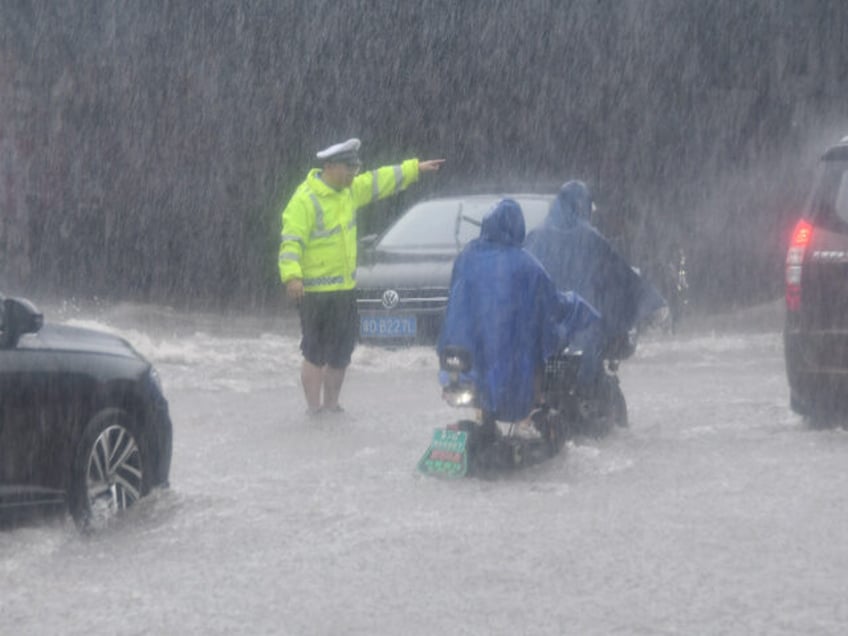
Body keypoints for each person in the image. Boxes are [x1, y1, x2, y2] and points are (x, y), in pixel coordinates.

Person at [279, 138, 444, 416]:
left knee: (342, 352)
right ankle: (313, 409)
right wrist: (292, 277)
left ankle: (332, 406)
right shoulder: (304, 200)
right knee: (314, 352)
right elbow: (290, 242)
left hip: (345, 289)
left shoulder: (349, 191)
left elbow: (379, 180)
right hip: (314, 294)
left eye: (355, 168)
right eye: (348, 168)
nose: (353, 173)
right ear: (329, 167)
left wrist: (415, 168)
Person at [437, 198, 592, 428]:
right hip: (507, 369)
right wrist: (579, 306)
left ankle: (489, 421)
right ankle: (524, 423)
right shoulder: (526, 265)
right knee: (537, 352)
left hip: (460, 362)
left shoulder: (466, 257)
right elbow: (552, 303)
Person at [524, 180, 666, 394]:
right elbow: (620, 275)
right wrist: (652, 302)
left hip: (540, 331)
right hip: (582, 330)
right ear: (584, 206)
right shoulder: (590, 239)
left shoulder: (534, 238)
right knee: (590, 371)